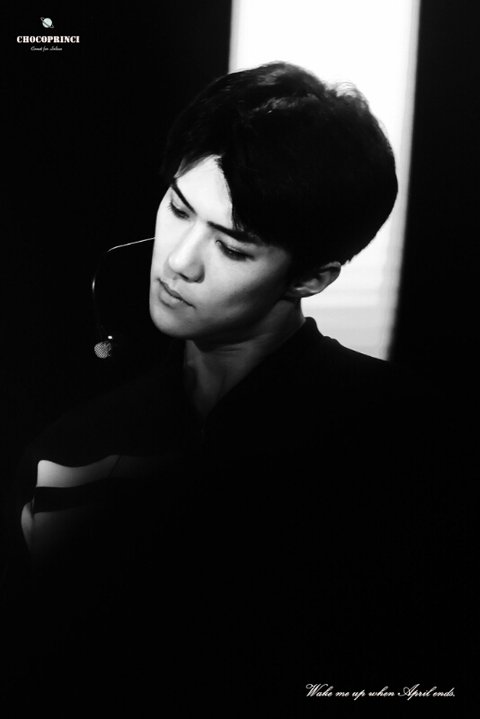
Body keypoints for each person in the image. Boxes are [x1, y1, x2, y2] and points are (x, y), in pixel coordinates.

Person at [4, 62, 462, 718]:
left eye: (234, 247)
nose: (179, 261)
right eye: (178, 209)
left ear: (311, 278)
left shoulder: (407, 443)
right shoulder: (70, 451)